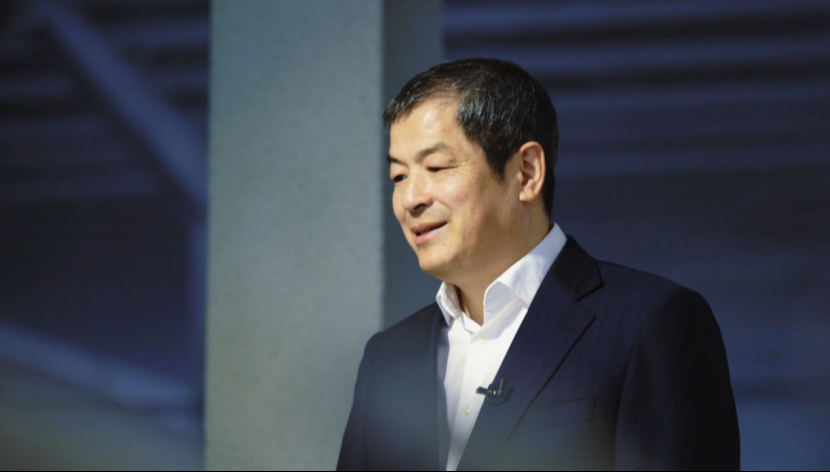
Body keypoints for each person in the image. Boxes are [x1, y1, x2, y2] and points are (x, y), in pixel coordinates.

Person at [337, 58, 740, 471]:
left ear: (527, 172)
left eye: (437, 167)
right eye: (399, 177)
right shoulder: (387, 358)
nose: (410, 199)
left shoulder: (650, 324)